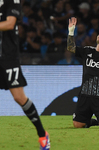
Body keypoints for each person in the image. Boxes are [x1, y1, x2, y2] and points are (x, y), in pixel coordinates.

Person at [0, 1, 50, 149]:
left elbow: (9, 24)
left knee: (19, 97)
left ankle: (42, 134)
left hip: (8, 57)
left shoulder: (12, 2)